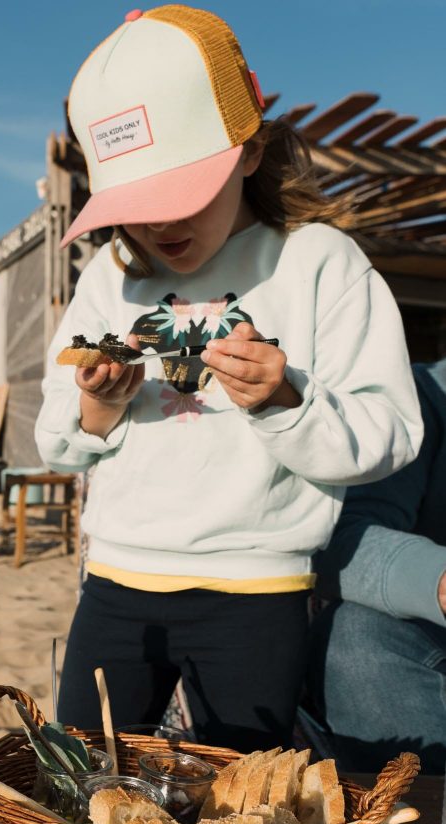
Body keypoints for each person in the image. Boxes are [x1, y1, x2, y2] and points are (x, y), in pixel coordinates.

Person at [35, 5, 423, 752]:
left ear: (248, 151)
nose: (156, 228)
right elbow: (56, 445)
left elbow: (392, 434)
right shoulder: (110, 273)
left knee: (236, 805)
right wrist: (96, 409)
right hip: (116, 586)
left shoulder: (317, 262)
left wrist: (285, 401)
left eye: (176, 195)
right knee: (80, 783)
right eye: (132, 208)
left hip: (258, 595)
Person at [304, 360, 446, 774]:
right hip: (431, 632)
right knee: (357, 637)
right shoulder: (423, 396)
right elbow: (339, 539)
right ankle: (412, 821)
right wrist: (436, 580)